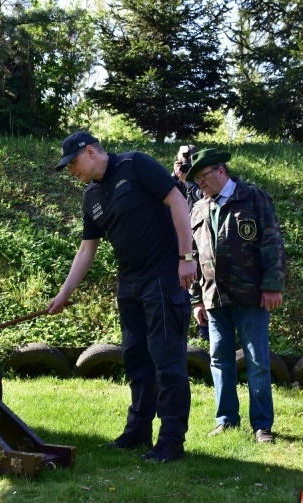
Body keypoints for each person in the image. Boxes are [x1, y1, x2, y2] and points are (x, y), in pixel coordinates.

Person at [47, 131, 195, 463]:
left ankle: (171, 442)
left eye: (72, 165)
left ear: (89, 152)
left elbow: (178, 202)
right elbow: (87, 249)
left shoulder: (135, 164)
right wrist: (63, 295)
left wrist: (186, 258)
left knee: (167, 362)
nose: (72, 172)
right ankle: (137, 432)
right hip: (129, 284)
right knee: (136, 360)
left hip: (162, 277)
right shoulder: (91, 196)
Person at [187, 147, 286, 444]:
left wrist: (272, 286)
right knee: (219, 360)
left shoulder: (253, 197)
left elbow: (272, 243)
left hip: (251, 295)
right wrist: (196, 298)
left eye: (204, 177)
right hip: (214, 297)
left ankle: (262, 426)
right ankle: (226, 420)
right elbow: (192, 255)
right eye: (196, 180)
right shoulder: (199, 208)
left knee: (257, 361)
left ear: (221, 171)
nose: (200, 184)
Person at [172, 144, 209, 341]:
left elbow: (206, 198)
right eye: (182, 161)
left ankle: (206, 333)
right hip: (180, 241)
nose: (185, 165)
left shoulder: (203, 182)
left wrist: (189, 181)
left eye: (189, 161)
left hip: (202, 239)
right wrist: (176, 175)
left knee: (203, 281)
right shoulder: (174, 180)